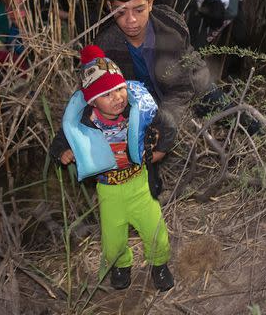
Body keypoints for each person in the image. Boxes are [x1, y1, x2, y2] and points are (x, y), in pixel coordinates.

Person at [49, 45, 175, 291]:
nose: (117, 97)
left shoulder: (136, 111)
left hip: (139, 183)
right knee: (113, 239)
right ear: (93, 101)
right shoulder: (83, 122)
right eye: (108, 94)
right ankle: (120, 265)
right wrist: (62, 153)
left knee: (155, 230)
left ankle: (159, 265)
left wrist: (161, 148)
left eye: (120, 89)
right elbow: (59, 142)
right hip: (109, 190)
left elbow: (167, 125)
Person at [94, 0, 260, 136]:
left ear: (150, 4)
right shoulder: (106, 44)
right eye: (121, 11)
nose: (131, 20)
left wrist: (164, 126)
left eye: (138, 10)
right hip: (149, 94)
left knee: (223, 108)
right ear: (110, 7)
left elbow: (182, 88)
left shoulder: (171, 29)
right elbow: (98, 95)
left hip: (191, 82)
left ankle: (260, 133)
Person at [177, 0, 241, 51]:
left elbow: (215, 29)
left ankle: (196, 54)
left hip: (220, 7)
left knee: (204, 39)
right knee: (191, 24)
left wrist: (212, 34)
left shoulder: (232, 10)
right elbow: (177, 13)